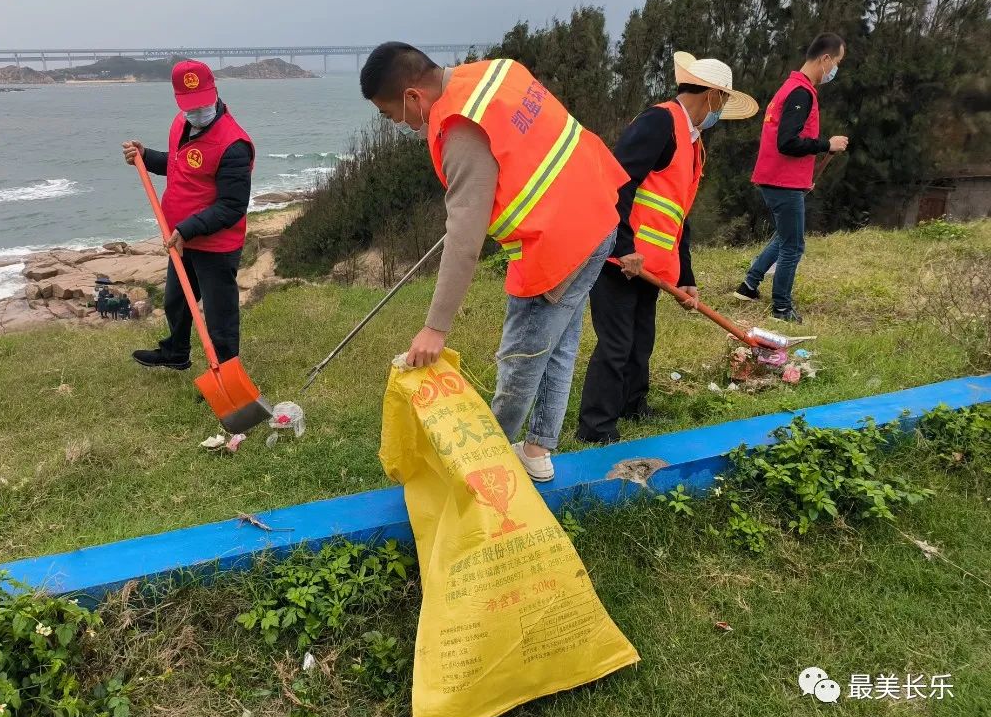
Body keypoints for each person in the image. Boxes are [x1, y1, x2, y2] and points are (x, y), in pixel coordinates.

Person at [360, 42, 632, 482]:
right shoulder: (496, 73)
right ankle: (538, 451)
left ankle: (485, 469)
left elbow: (464, 240)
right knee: (560, 344)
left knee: (522, 359)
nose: (401, 126)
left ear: (413, 96)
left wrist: (435, 327)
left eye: (393, 116)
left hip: (555, 246)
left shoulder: (461, 128)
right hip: (599, 213)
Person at [577, 52, 758, 444]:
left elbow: (679, 216)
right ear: (710, 95)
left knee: (642, 339)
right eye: (722, 101)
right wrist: (623, 246)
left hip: (651, 265)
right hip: (618, 258)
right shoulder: (660, 122)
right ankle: (596, 427)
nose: (721, 111)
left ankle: (633, 405)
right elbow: (616, 181)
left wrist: (686, 275)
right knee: (617, 343)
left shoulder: (694, 143)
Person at [122, 60, 254, 369]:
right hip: (182, 238)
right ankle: (176, 352)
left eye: (202, 104)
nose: (196, 112)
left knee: (220, 315)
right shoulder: (181, 125)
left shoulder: (233, 144)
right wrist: (146, 157)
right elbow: (180, 165)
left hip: (215, 245)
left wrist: (187, 228)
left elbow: (232, 206)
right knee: (176, 302)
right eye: (189, 106)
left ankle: (227, 371)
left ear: (215, 93)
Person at [735, 33, 850, 322]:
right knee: (794, 245)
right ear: (825, 59)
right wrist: (827, 145)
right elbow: (787, 142)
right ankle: (782, 308)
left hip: (781, 179)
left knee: (785, 236)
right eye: (837, 62)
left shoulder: (791, 88)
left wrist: (803, 178)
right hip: (781, 181)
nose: (835, 68)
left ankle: (749, 285)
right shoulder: (800, 93)